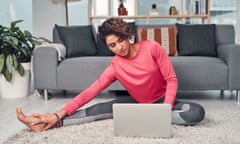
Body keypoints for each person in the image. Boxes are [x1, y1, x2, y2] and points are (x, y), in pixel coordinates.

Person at [16, 18, 205, 132]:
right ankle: (46, 123)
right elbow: (90, 92)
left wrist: (165, 109)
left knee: (196, 112)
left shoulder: (152, 48)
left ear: (127, 35)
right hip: (138, 105)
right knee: (98, 110)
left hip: (164, 102)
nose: (119, 47)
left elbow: (171, 79)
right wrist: (56, 115)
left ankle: (145, 117)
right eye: (112, 45)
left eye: (120, 40)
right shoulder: (115, 66)